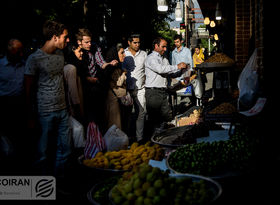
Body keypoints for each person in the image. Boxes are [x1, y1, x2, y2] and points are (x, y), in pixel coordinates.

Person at [24, 20, 72, 177]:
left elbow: (62, 81)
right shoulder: (34, 59)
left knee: (65, 150)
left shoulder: (60, 54)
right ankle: (42, 189)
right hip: (45, 112)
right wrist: (30, 116)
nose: (68, 40)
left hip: (63, 110)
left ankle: (59, 183)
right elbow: (28, 90)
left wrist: (69, 105)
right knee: (43, 153)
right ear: (55, 37)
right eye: (65, 37)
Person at [75, 28, 118, 134]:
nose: (89, 44)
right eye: (86, 42)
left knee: (98, 112)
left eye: (90, 41)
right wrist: (85, 78)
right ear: (79, 42)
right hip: (81, 85)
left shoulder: (94, 47)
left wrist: (109, 64)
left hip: (95, 84)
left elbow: (101, 63)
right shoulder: (75, 51)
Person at [145, 37, 189, 136]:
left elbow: (169, 73)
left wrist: (181, 72)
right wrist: (177, 66)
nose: (165, 49)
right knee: (154, 120)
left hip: (163, 92)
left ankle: (166, 138)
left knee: (167, 117)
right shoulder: (151, 58)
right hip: (153, 92)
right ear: (156, 46)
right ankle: (153, 141)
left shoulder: (164, 58)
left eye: (166, 47)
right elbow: (160, 69)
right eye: (163, 47)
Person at [0, 39, 26, 167]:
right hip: (5, 105)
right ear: (9, 51)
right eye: (18, 51)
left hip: (20, 105)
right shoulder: (0, 66)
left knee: (20, 138)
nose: (21, 54)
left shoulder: (24, 65)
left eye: (22, 51)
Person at [123, 33, 147, 143]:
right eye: (135, 42)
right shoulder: (123, 53)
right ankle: (126, 137)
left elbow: (146, 70)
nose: (137, 44)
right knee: (127, 114)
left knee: (141, 112)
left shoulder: (144, 54)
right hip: (126, 89)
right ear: (129, 42)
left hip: (140, 89)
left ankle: (139, 138)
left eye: (138, 42)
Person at [104, 43, 129, 133]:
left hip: (118, 100)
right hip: (113, 101)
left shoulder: (118, 66)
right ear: (115, 54)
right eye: (122, 53)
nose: (124, 55)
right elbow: (118, 82)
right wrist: (124, 73)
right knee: (115, 124)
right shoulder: (112, 67)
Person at [63, 43, 85, 124]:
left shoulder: (69, 67)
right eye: (79, 51)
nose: (82, 53)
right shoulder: (71, 68)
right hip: (74, 109)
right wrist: (78, 109)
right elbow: (73, 93)